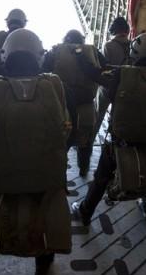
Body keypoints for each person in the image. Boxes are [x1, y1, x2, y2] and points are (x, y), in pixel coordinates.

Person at [0, 28, 72, 275]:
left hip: (0, 180)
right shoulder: (54, 86)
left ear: (4, 55)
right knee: (46, 214)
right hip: (46, 178)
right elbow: (66, 132)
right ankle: (43, 264)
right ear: (39, 56)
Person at [72, 32, 146, 224]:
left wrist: (79, 54)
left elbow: (94, 74)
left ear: (135, 52)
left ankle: (85, 212)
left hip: (122, 145)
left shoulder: (122, 74)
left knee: (101, 177)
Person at [43, 29, 106, 176]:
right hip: (86, 106)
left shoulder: (56, 51)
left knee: (59, 142)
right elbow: (103, 69)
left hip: (62, 107)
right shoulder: (93, 52)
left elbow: (43, 70)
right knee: (86, 142)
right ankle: (84, 168)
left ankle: (57, 172)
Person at [94, 16, 131, 141]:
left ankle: (88, 142)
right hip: (125, 87)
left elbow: (103, 68)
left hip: (108, 87)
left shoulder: (108, 45)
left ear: (113, 30)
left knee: (98, 116)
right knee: (119, 118)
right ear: (127, 30)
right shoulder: (133, 45)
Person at [0, 8, 28, 76]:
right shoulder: (28, 37)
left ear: (8, 21)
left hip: (2, 75)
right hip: (23, 73)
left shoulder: (0, 35)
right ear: (24, 22)